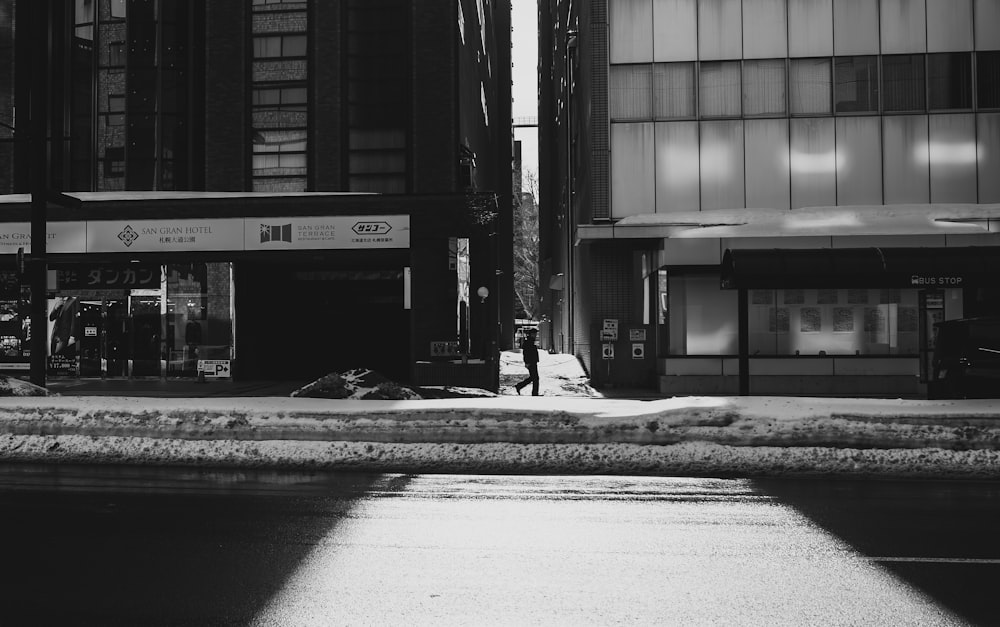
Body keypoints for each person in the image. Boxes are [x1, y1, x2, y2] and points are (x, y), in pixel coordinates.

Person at [515, 328, 540, 396]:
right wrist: (527, 362)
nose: (535, 335)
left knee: (533, 377)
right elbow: (526, 353)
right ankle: (534, 392)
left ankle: (519, 386)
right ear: (531, 334)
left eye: (536, 334)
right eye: (534, 334)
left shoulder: (531, 341)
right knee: (535, 378)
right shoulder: (528, 342)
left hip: (533, 361)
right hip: (531, 362)